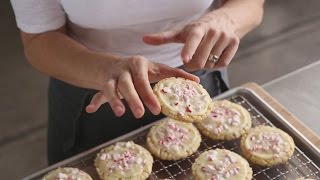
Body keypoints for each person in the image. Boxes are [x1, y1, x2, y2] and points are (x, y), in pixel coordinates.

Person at [10, 0, 264, 165]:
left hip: (195, 80)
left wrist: (227, 19)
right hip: (93, 88)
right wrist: (105, 68)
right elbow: (39, 41)